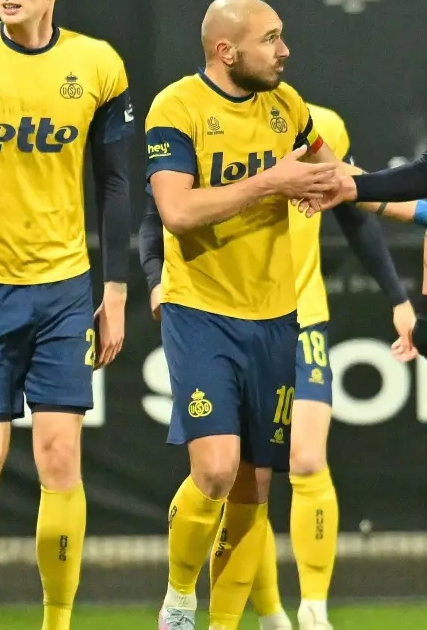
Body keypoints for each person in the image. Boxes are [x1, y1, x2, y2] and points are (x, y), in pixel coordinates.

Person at [140, 101, 417, 630]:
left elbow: (354, 207)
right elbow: (159, 213)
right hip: (220, 313)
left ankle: (314, 610)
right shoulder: (196, 117)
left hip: (299, 318)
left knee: (303, 460)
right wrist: (155, 281)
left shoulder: (320, 127)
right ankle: (264, 611)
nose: (281, 60)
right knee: (235, 473)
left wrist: (397, 296)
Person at [143, 0, 360, 628]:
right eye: (271, 39)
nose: (284, 50)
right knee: (214, 469)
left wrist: (392, 195)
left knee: (253, 489)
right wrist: (271, 183)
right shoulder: (176, 107)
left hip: (276, 317)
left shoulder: (288, 108)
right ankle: (179, 600)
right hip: (201, 311)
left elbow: (334, 175)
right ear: (226, 51)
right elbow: (176, 212)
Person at [0, 1, 134, 628]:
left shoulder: (98, 64)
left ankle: (57, 620)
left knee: (61, 459)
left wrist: (115, 292)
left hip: (62, 290)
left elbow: (115, 183)